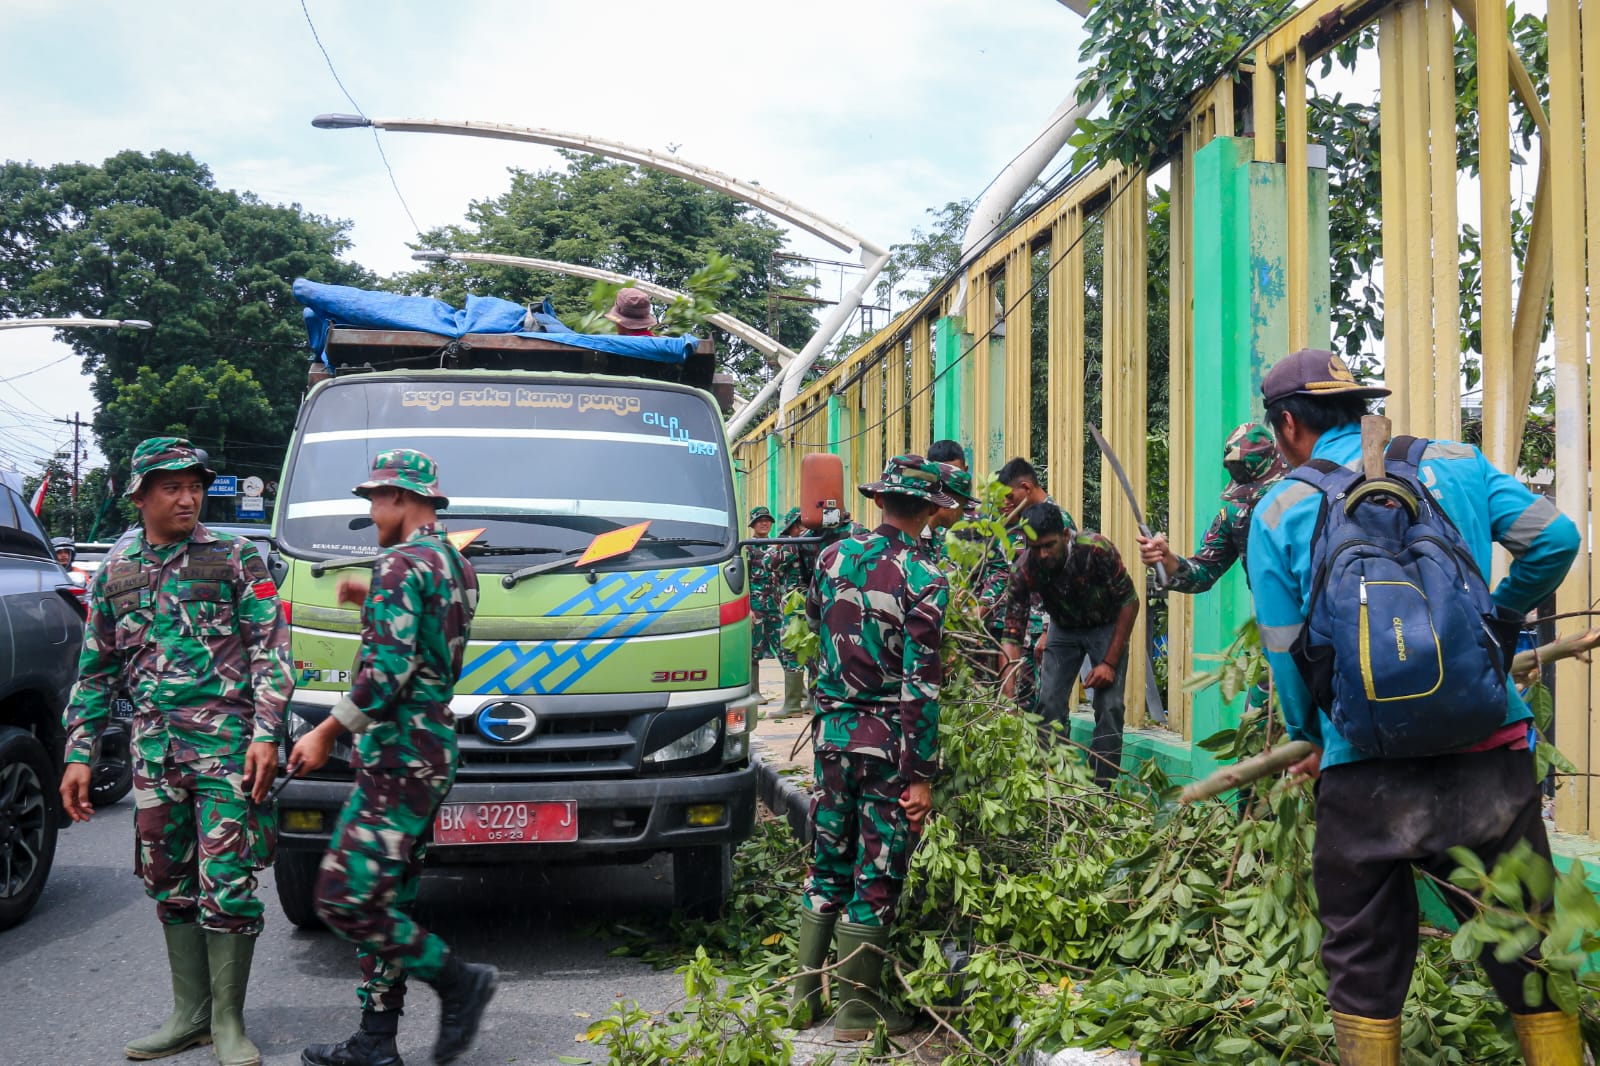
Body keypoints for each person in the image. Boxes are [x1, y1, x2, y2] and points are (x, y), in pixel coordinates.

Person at [1245, 348, 1582, 1065]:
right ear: (1359, 406)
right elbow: (1556, 539)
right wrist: (1500, 623)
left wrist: (1311, 734)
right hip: (1488, 748)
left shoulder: (1278, 508)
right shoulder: (1454, 463)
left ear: (1286, 426)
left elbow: (1284, 649)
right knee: (1524, 941)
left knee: (1363, 956)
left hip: (1361, 765)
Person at [59, 437, 292, 1066]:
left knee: (230, 882)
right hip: (155, 755)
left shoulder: (236, 557)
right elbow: (95, 671)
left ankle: (228, 1021)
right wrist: (80, 752)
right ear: (139, 495)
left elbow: (273, 652)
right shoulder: (114, 569)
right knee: (168, 881)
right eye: (171, 486)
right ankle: (189, 1015)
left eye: (194, 485)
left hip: (228, 749)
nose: (187, 497)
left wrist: (270, 732)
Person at [290, 450, 496, 1066]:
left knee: (344, 898)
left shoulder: (400, 564)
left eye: (376, 498)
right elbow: (430, 644)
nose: (371, 510)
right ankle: (376, 1042)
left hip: (399, 753)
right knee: (389, 897)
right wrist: (370, 601)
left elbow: (385, 674)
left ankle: (459, 980)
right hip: (430, 748)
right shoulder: (455, 565)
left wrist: (326, 731)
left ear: (403, 499)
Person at [791, 455, 952, 1040]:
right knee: (876, 871)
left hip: (831, 739)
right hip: (886, 749)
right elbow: (921, 685)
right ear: (931, 511)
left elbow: (815, 620)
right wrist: (921, 774)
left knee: (827, 861)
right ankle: (858, 1013)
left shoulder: (833, 556)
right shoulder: (925, 576)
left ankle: (802, 997)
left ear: (880, 500)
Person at [1001, 501, 1139, 786]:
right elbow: (1012, 634)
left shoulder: (1096, 549)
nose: (1043, 554)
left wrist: (1109, 663)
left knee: (1110, 707)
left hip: (1106, 626)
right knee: (1048, 703)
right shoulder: (1025, 568)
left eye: (1049, 545)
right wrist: (1007, 695)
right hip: (1063, 629)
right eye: (1035, 547)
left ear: (1065, 535)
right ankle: (1056, 787)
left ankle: (1100, 793)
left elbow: (1130, 602)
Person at [1136, 422, 1286, 594]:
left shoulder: (1308, 504)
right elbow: (1204, 572)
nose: (1260, 502)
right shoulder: (1237, 516)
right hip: (1273, 617)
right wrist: (1169, 562)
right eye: (1253, 497)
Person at [993, 458, 1075, 710]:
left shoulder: (1058, 520)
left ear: (1026, 488)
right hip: (1024, 631)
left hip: (1046, 632)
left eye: (1010, 496)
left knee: (1050, 704)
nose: (1007, 503)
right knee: (1024, 704)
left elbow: (1067, 578)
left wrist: (1050, 630)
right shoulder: (1020, 521)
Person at [769, 507, 811, 719]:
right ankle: (811, 702)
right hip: (813, 602)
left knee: (791, 650)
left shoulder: (792, 545)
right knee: (813, 651)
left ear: (795, 526)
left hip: (794, 605)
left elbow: (771, 563)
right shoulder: (816, 542)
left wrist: (778, 546)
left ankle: (793, 704)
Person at [746, 506, 781, 679]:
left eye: (767, 520)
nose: (764, 523)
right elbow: (742, 579)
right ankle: (754, 692)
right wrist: (747, 609)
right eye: (760, 521)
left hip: (775, 605)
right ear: (753, 525)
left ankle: (796, 690)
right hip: (755, 606)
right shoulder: (747, 547)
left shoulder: (778, 546)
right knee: (754, 650)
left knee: (785, 647)